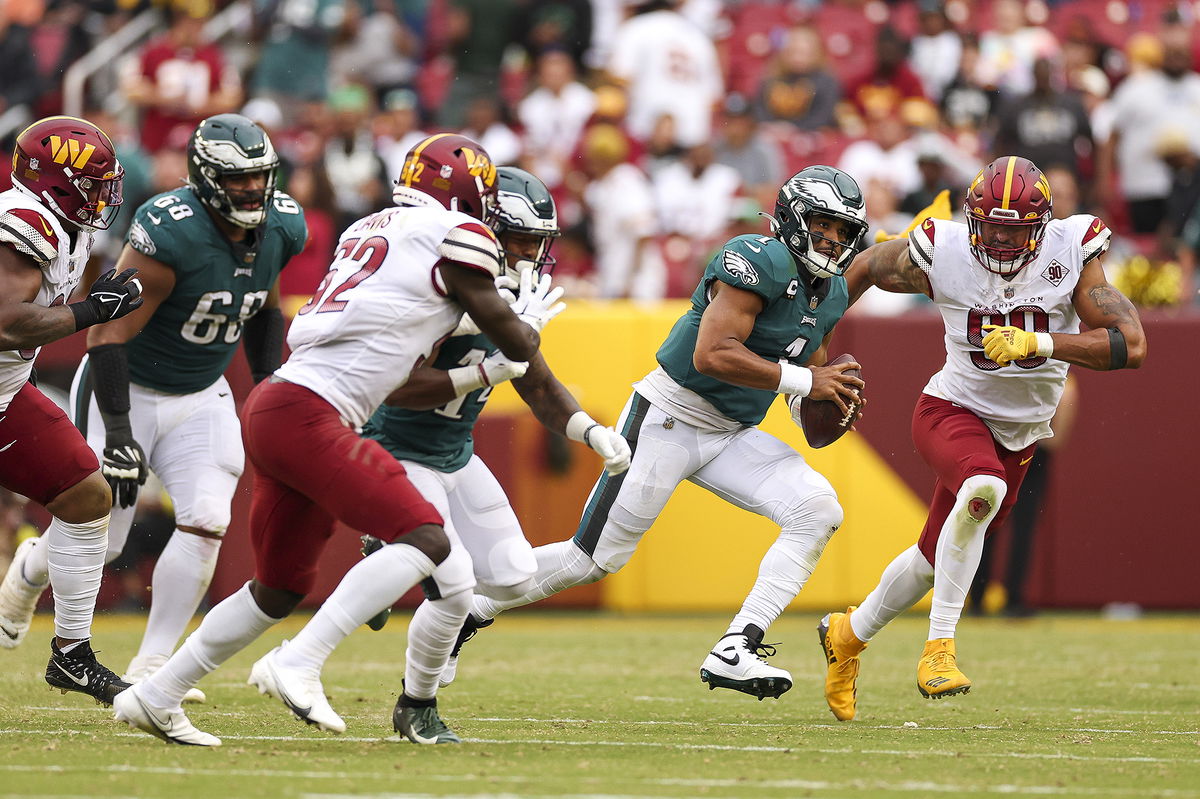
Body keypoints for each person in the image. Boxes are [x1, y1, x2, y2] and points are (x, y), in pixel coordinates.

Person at [111, 133, 563, 747]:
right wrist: (525, 324)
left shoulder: (371, 225)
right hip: (312, 412)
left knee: (277, 588)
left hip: (278, 402)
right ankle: (299, 661)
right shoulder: (456, 234)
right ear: (467, 196)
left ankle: (156, 695)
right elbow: (515, 342)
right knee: (426, 537)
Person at [449, 165, 869, 700]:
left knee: (818, 509)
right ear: (792, 218)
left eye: (842, 230)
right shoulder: (757, 258)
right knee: (591, 560)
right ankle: (468, 605)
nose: (831, 239)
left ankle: (736, 645)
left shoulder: (830, 293)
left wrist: (820, 402)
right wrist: (807, 382)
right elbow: (712, 354)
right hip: (670, 415)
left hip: (732, 432)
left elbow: (804, 375)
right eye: (822, 224)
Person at [816, 156, 1146, 722]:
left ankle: (846, 635)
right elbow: (867, 265)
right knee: (982, 487)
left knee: (932, 559)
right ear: (972, 219)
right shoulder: (944, 249)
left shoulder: (1071, 251)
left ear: (1041, 226)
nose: (999, 239)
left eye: (1013, 230)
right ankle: (939, 649)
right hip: (951, 408)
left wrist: (1039, 343)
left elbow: (1130, 345)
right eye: (990, 226)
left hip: (1020, 433)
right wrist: (812, 339)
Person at [358, 166, 631, 742]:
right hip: (398, 447)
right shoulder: (438, 285)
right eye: (521, 239)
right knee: (455, 586)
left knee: (511, 576)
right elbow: (396, 380)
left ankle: (383, 559)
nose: (531, 254)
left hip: (454, 453)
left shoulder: (503, 294)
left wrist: (588, 431)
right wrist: (492, 358)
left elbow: (537, 382)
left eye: (539, 241)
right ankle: (414, 702)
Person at [66, 114, 301, 703]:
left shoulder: (281, 224)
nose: (253, 188)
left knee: (207, 518)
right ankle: (26, 573)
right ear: (206, 178)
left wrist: (267, 384)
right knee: (102, 536)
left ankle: (153, 664)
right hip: (126, 385)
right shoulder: (171, 232)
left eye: (260, 176)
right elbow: (107, 335)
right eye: (238, 178)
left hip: (199, 390)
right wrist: (119, 432)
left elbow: (266, 306)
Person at [0, 115, 145, 705]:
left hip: (7, 394)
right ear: (56, 182)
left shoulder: (66, 225)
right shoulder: (23, 222)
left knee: (86, 496)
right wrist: (95, 311)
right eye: (93, 185)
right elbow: (6, 323)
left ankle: (72, 655)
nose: (105, 197)